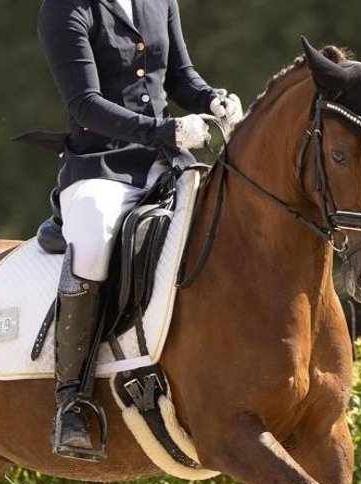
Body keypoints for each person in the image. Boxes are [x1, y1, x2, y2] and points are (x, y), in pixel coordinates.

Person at [38, 0, 243, 458]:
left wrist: (214, 100)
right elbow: (85, 105)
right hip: (100, 167)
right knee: (92, 246)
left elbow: (181, 77)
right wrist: (165, 130)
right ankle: (71, 399)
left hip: (166, 163)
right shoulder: (66, 9)